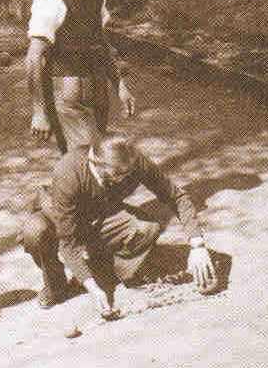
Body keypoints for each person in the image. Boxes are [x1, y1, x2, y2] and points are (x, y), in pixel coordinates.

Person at [20, 133, 218, 314]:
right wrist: (94, 289)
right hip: (59, 217)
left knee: (146, 228)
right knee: (35, 231)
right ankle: (56, 285)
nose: (125, 178)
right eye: (117, 174)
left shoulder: (131, 161)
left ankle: (102, 268)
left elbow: (177, 197)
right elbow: (68, 243)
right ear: (95, 162)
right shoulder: (68, 172)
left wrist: (197, 245)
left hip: (99, 215)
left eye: (128, 173)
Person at [26, 0, 137, 154]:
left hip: (96, 86)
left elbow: (100, 40)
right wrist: (39, 111)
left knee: (93, 156)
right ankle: (68, 186)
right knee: (87, 159)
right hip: (66, 89)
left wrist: (119, 85)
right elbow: (33, 57)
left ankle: (70, 185)